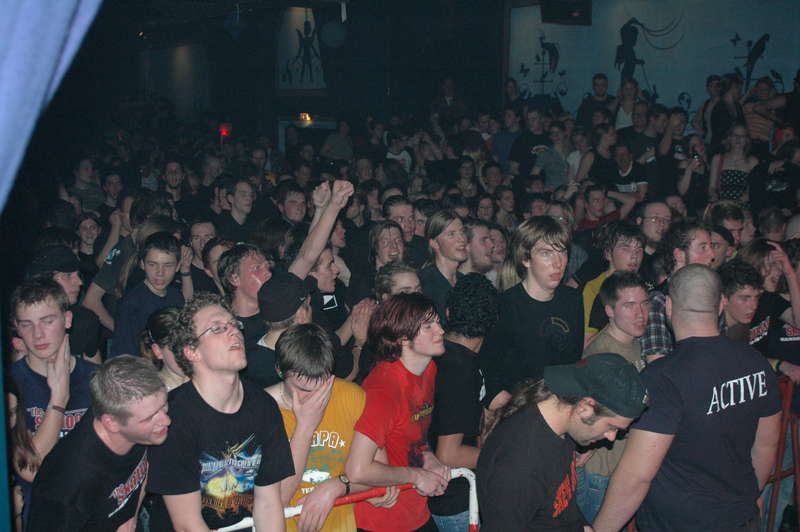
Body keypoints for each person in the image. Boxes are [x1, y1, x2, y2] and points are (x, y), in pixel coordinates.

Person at [592, 265, 781, 532]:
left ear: (668, 306)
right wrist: (743, 500)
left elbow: (636, 478)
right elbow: (766, 446)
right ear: (721, 304)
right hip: (742, 519)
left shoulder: (662, 377)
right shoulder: (756, 362)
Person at [147, 292, 294, 531]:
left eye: (234, 324)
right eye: (217, 328)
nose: (233, 331)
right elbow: (187, 524)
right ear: (192, 352)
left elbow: (268, 504)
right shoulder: (172, 417)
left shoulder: (263, 406)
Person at [477, 353, 647, 532]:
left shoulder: (562, 428)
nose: (612, 437)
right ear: (585, 407)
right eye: (612, 427)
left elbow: (559, 507)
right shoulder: (520, 463)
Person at [266, 323, 397, 532]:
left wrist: (337, 487)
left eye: (323, 386)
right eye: (303, 390)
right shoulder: (260, 412)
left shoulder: (351, 396)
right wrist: (305, 427)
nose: (315, 398)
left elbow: (379, 471)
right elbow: (275, 500)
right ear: (279, 370)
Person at [26, 356, 170, 531]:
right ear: (111, 423)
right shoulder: (68, 484)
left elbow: (144, 464)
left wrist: (132, 516)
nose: (166, 420)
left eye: (164, 406)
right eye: (150, 418)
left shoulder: (139, 425)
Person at [345, 293, 451, 532]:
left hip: (415, 511)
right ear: (403, 338)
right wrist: (417, 476)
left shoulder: (428, 369)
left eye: (437, 322)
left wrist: (429, 458)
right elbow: (357, 470)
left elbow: (414, 433)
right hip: (381, 520)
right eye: (428, 326)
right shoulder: (383, 390)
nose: (441, 330)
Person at [9, 278, 99, 526]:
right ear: (17, 327)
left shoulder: (97, 379)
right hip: (39, 518)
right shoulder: (11, 386)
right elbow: (31, 469)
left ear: (67, 319)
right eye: (27, 324)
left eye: (47, 321)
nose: (38, 334)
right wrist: (59, 397)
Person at [482, 216, 584, 414]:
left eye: (562, 252)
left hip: (560, 406)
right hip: (517, 410)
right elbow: (489, 376)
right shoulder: (505, 306)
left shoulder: (572, 299)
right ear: (525, 258)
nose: (558, 263)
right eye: (546, 253)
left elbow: (572, 363)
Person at [428, 274, 499, 531]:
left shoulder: (444, 355)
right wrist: (503, 459)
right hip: (455, 501)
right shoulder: (459, 370)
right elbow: (448, 454)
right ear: (492, 321)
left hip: (450, 496)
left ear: (448, 312)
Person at [577, 271, 649, 521]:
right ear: (609, 310)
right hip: (602, 475)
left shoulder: (635, 342)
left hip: (622, 469)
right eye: (629, 305)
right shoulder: (602, 354)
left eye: (644, 304)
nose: (640, 314)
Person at [640, 220, 715, 362]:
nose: (712, 255)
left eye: (711, 246)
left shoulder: (711, 295)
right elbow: (657, 365)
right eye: (703, 247)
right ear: (679, 255)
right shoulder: (659, 301)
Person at [110, 231, 186, 358]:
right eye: (152, 265)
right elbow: (123, 356)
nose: (160, 273)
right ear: (142, 264)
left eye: (168, 265)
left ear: (178, 266)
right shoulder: (131, 305)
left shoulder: (176, 296)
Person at [27, 244, 101, 363]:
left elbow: (95, 369)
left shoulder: (85, 321)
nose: (79, 282)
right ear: (45, 280)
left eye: (78, 275)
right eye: (68, 275)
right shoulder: (24, 324)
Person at [582, 222, 645, 339]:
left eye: (639, 250)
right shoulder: (594, 289)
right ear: (608, 253)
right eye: (626, 248)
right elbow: (587, 341)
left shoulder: (642, 286)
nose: (634, 256)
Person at [419, 210, 467, 321]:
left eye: (462, 232)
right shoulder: (424, 283)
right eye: (451, 234)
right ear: (434, 243)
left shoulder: (464, 281)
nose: (461, 239)